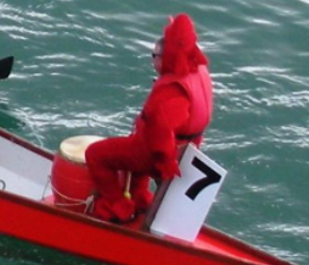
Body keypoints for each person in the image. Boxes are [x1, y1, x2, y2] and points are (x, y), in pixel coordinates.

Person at [84, 14, 214, 223]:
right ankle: (141, 199)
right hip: (187, 148)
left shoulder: (172, 92)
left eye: (154, 55)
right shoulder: (198, 72)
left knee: (96, 154)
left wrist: (164, 162)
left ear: (166, 57)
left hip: (162, 153)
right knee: (134, 163)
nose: (152, 60)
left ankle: (118, 207)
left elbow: (160, 132)